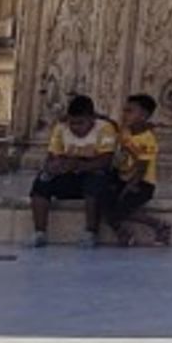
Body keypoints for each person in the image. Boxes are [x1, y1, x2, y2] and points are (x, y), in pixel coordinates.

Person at [28, 93, 122, 246]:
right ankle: (39, 232)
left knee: (95, 183)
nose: (75, 128)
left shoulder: (105, 128)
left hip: (95, 171)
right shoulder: (61, 128)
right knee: (41, 182)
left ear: (92, 119)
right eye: (72, 123)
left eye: (80, 123)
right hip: (69, 173)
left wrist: (79, 165)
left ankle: (90, 232)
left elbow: (106, 160)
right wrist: (53, 167)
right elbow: (53, 155)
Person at [93, 92, 168, 247]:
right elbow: (112, 125)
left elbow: (142, 165)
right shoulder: (125, 131)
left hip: (142, 183)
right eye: (124, 110)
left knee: (121, 208)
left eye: (129, 111)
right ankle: (122, 231)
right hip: (122, 178)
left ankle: (158, 224)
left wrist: (131, 185)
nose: (124, 114)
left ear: (143, 115)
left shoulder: (148, 138)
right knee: (101, 198)